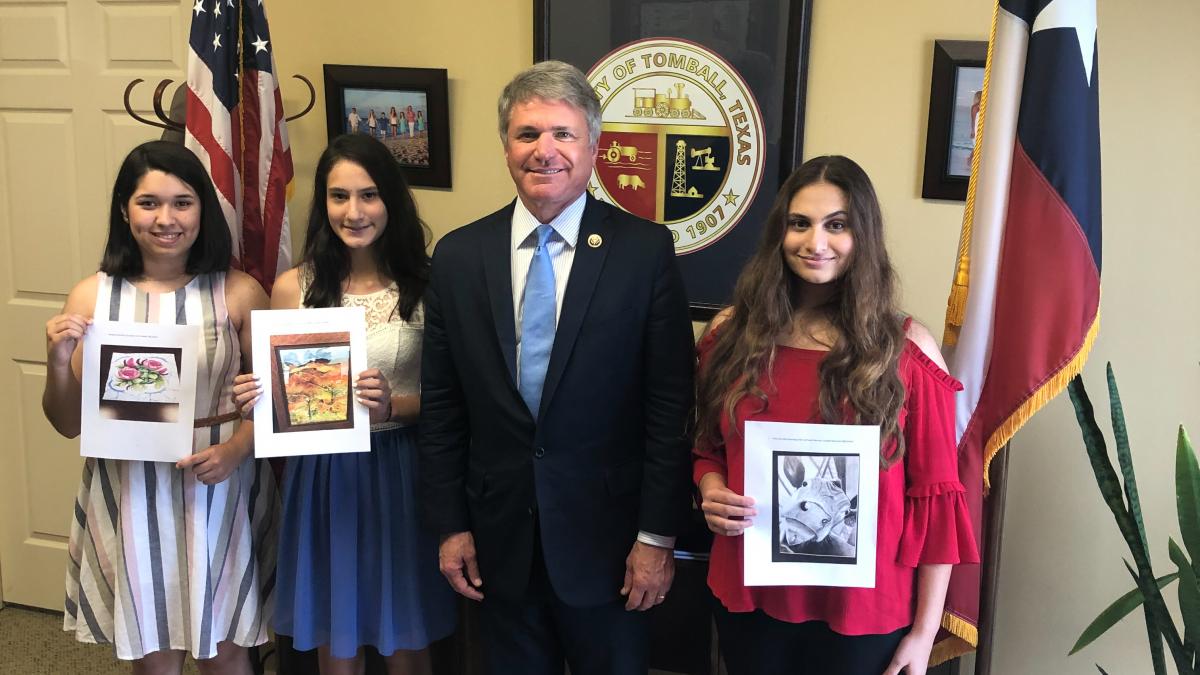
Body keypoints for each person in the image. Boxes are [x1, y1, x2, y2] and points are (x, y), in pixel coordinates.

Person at [418, 60, 695, 675]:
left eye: (563, 133)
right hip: (497, 543)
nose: (545, 151)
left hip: (612, 547)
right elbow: (443, 407)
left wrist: (657, 537)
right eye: (527, 134)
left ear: (594, 147)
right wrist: (449, 526)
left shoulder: (644, 252)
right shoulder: (459, 257)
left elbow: (670, 408)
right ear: (506, 147)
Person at [692, 155, 980, 675]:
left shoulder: (907, 351)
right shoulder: (730, 335)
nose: (815, 242)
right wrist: (711, 488)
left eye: (837, 225)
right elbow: (708, 448)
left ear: (862, 235)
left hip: (865, 612)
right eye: (800, 223)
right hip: (751, 597)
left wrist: (923, 633)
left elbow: (935, 499)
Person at [44, 140, 277, 674]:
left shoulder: (239, 293)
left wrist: (237, 449)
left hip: (219, 486)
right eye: (148, 202)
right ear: (124, 210)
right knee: (153, 652)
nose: (166, 219)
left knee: (226, 651)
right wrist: (57, 363)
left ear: (202, 210)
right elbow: (65, 423)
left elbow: (277, 402)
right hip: (131, 490)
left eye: (182, 202)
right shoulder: (92, 298)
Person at [231, 133, 455, 675]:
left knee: (404, 634)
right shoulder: (292, 287)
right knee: (338, 633)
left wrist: (394, 406)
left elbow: (455, 400)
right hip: (323, 476)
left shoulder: (428, 285)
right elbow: (281, 397)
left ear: (391, 200)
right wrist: (254, 399)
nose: (354, 212)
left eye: (369, 195)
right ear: (323, 202)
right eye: (339, 196)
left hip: (401, 469)